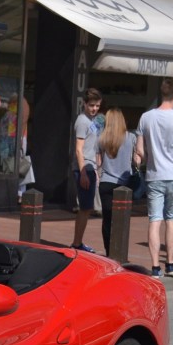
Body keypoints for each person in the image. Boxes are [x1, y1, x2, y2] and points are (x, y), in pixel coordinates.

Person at [135, 80, 173, 279]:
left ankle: (154, 267)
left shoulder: (146, 117)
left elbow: (140, 151)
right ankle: (169, 262)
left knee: (154, 220)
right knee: (171, 219)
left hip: (154, 175)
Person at [97, 108, 138, 257]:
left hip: (106, 183)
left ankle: (109, 251)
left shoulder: (102, 139)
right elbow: (136, 159)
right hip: (124, 185)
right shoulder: (131, 137)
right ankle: (120, 252)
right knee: (122, 220)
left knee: (107, 221)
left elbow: (99, 162)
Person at [71, 88, 103, 252]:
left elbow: (95, 146)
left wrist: (96, 169)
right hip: (84, 167)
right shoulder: (82, 121)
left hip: (91, 167)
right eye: (91, 105)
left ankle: (78, 242)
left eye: (97, 106)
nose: (94, 109)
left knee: (87, 207)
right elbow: (79, 149)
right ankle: (77, 243)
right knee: (85, 207)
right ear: (84, 104)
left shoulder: (95, 120)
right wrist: (83, 172)